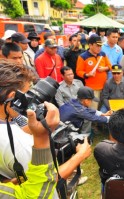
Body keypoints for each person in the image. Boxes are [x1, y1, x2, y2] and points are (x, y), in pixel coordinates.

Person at [0, 59, 91, 191]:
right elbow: (44, 182)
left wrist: (37, 130)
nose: (33, 98)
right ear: (12, 98)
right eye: (28, 93)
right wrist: (80, 155)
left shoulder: (9, 124)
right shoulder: (16, 143)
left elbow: (19, 179)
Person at [76, 34, 112, 110]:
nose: (99, 48)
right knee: (93, 110)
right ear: (90, 45)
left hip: (104, 87)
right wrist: (87, 74)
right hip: (92, 89)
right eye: (97, 46)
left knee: (102, 108)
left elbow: (110, 66)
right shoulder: (83, 56)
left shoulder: (102, 54)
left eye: (100, 46)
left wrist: (104, 68)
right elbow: (78, 71)